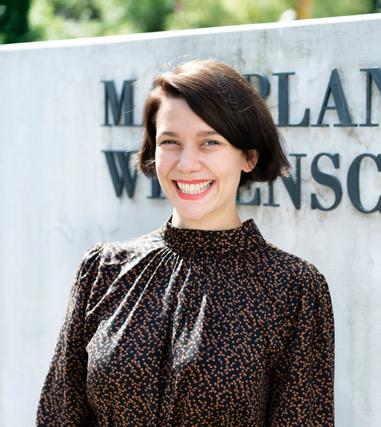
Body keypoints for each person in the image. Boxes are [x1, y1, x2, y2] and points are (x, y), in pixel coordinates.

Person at [36, 59, 335, 426]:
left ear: (248, 156)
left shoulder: (293, 287)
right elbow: (58, 415)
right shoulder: (103, 269)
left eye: (210, 142)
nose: (187, 163)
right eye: (170, 142)